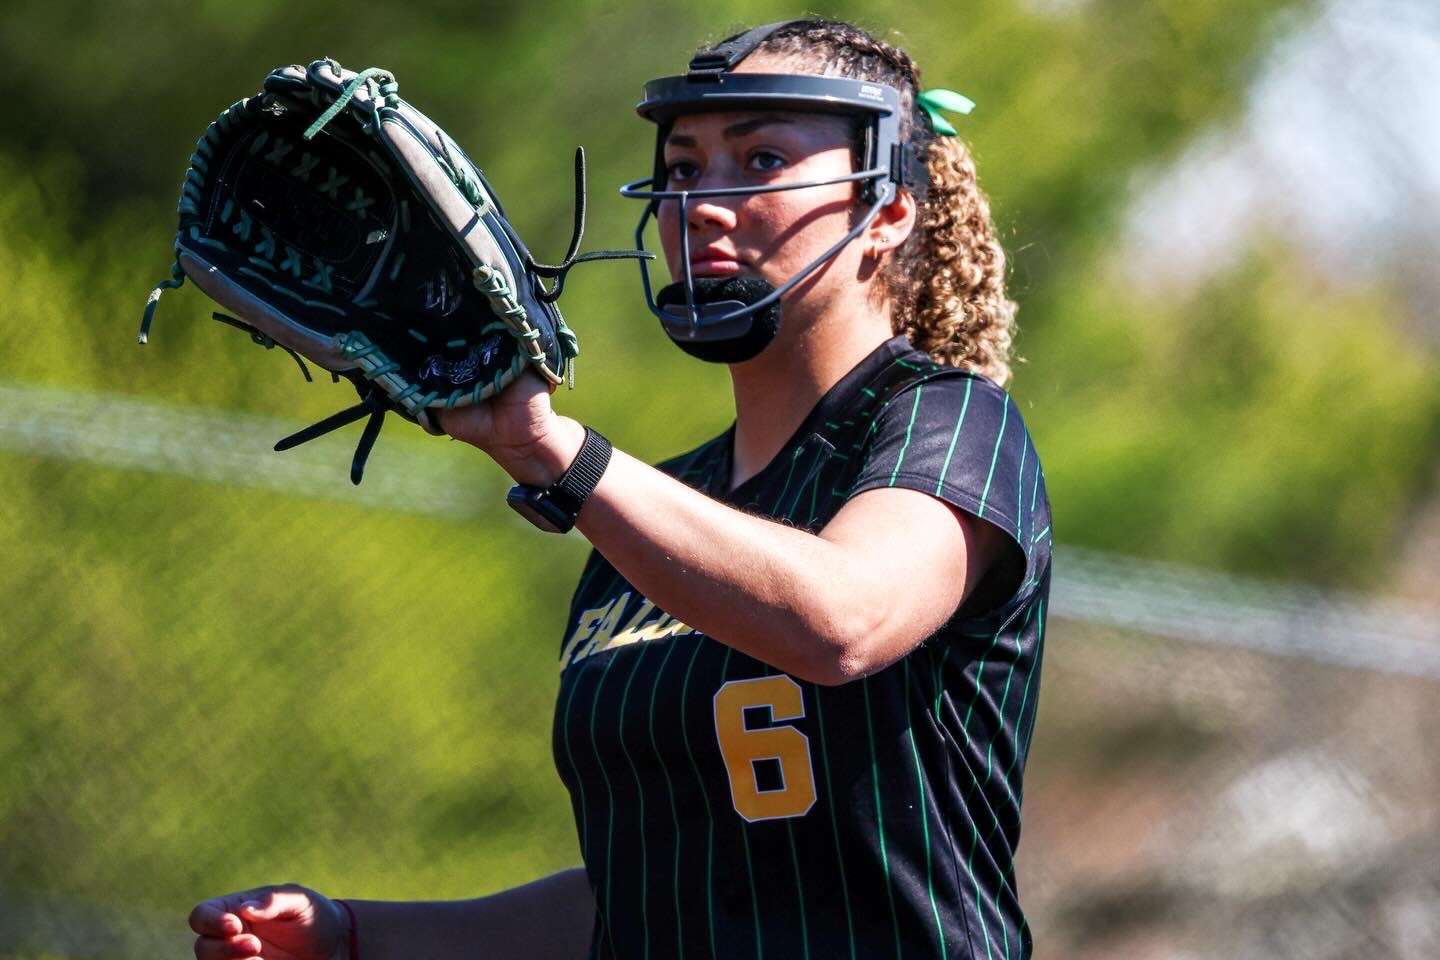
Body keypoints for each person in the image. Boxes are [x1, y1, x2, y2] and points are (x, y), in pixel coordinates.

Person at [189, 18, 1051, 960]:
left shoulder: (952, 426)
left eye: (760, 159)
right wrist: (356, 936)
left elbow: (841, 623)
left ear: (886, 213)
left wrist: (561, 454)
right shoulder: (652, 510)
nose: (701, 204)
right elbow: (642, 896)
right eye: (682, 168)